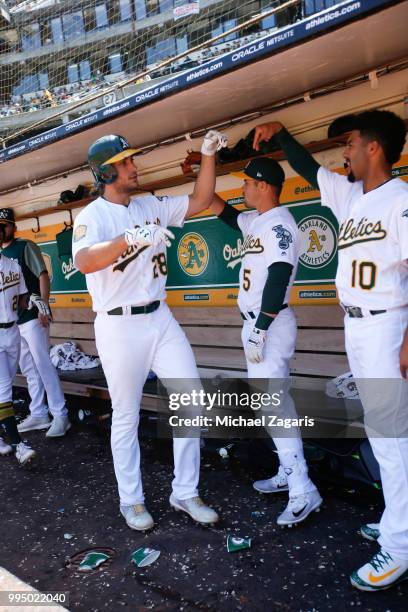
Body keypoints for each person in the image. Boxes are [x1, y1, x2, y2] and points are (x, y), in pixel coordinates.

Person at [252, 110, 408, 591]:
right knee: (384, 437)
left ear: (374, 148)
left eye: (351, 143)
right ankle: (397, 525)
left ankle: (400, 548)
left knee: (392, 439)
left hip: (388, 327)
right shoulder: (350, 195)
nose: (345, 151)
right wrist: (281, 134)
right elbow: (308, 169)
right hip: (359, 329)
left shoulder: (400, 199)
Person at [72, 131, 227, 531]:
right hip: (119, 325)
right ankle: (132, 500)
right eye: (125, 162)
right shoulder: (92, 216)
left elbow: (200, 201)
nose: (133, 165)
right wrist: (128, 238)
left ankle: (185, 491)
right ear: (106, 171)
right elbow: (86, 261)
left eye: (131, 159)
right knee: (126, 414)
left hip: (160, 317)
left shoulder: (150, 204)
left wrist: (207, 156)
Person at [209, 157, 322, 526]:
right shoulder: (256, 221)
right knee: (270, 404)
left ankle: (303, 488)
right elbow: (223, 211)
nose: (242, 188)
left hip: (268, 325)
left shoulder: (279, 225)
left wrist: (260, 327)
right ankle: (289, 472)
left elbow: (280, 274)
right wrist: (207, 165)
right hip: (259, 325)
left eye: (247, 183)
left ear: (264, 185)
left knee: (275, 405)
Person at [0, 208, 70, 437]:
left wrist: (44, 306)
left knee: (43, 364)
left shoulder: (24, 246)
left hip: (32, 315)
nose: (3, 229)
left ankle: (61, 415)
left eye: (6, 224)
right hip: (13, 321)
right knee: (28, 367)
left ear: (14, 226)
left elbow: (42, 275)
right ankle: (38, 412)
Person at [0, 222, 37, 465]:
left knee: (4, 385)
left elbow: (22, 297)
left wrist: (32, 301)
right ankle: (18, 443)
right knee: (4, 388)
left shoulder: (13, 265)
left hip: (12, 330)